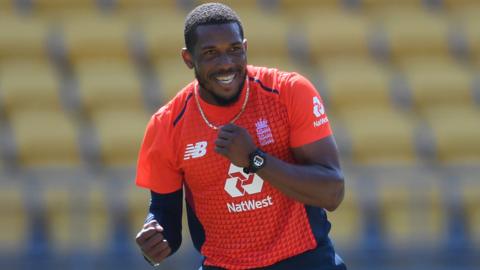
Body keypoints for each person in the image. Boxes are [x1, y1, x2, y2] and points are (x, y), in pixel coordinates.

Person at [134, 2, 346, 269]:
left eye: (234, 50)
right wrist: (154, 242)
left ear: (245, 48)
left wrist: (255, 160)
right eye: (210, 53)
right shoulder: (167, 125)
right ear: (189, 59)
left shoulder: (288, 92)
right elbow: (166, 219)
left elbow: (332, 193)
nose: (226, 64)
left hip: (305, 259)